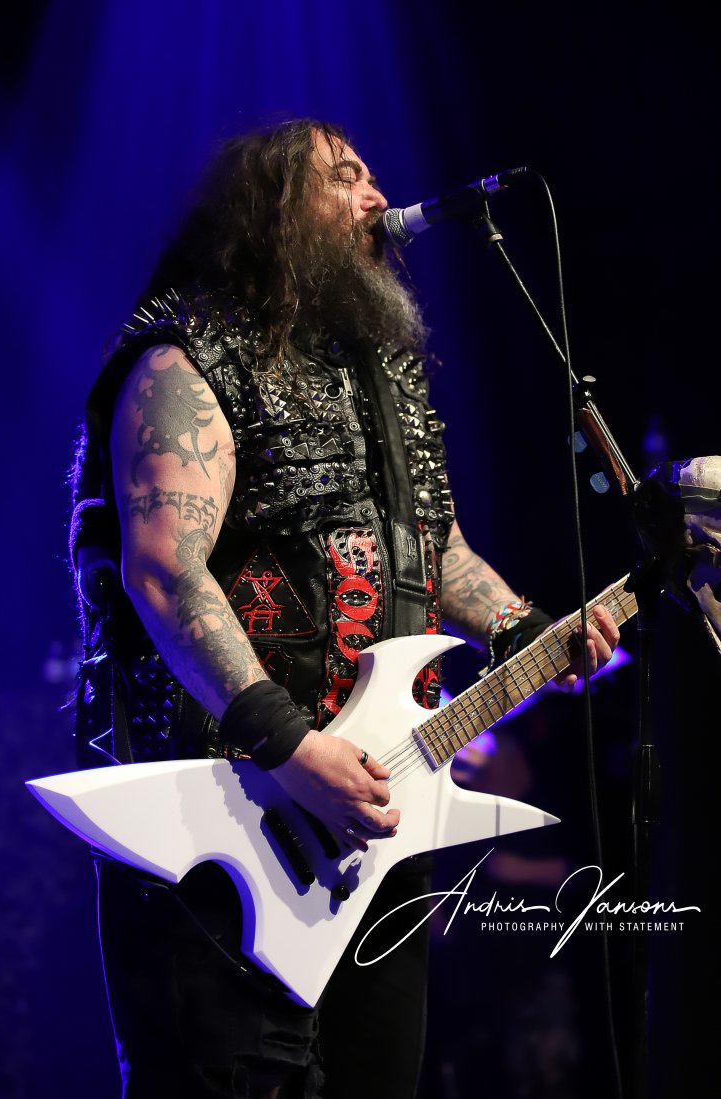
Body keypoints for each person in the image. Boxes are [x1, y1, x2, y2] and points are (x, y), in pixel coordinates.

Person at [69, 118, 619, 1099]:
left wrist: (526, 631)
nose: (378, 198)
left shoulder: (387, 378)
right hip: (229, 816)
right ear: (271, 210)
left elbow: (435, 549)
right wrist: (288, 742)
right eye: (345, 177)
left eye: (372, 177)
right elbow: (164, 569)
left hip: (372, 819)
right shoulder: (187, 357)